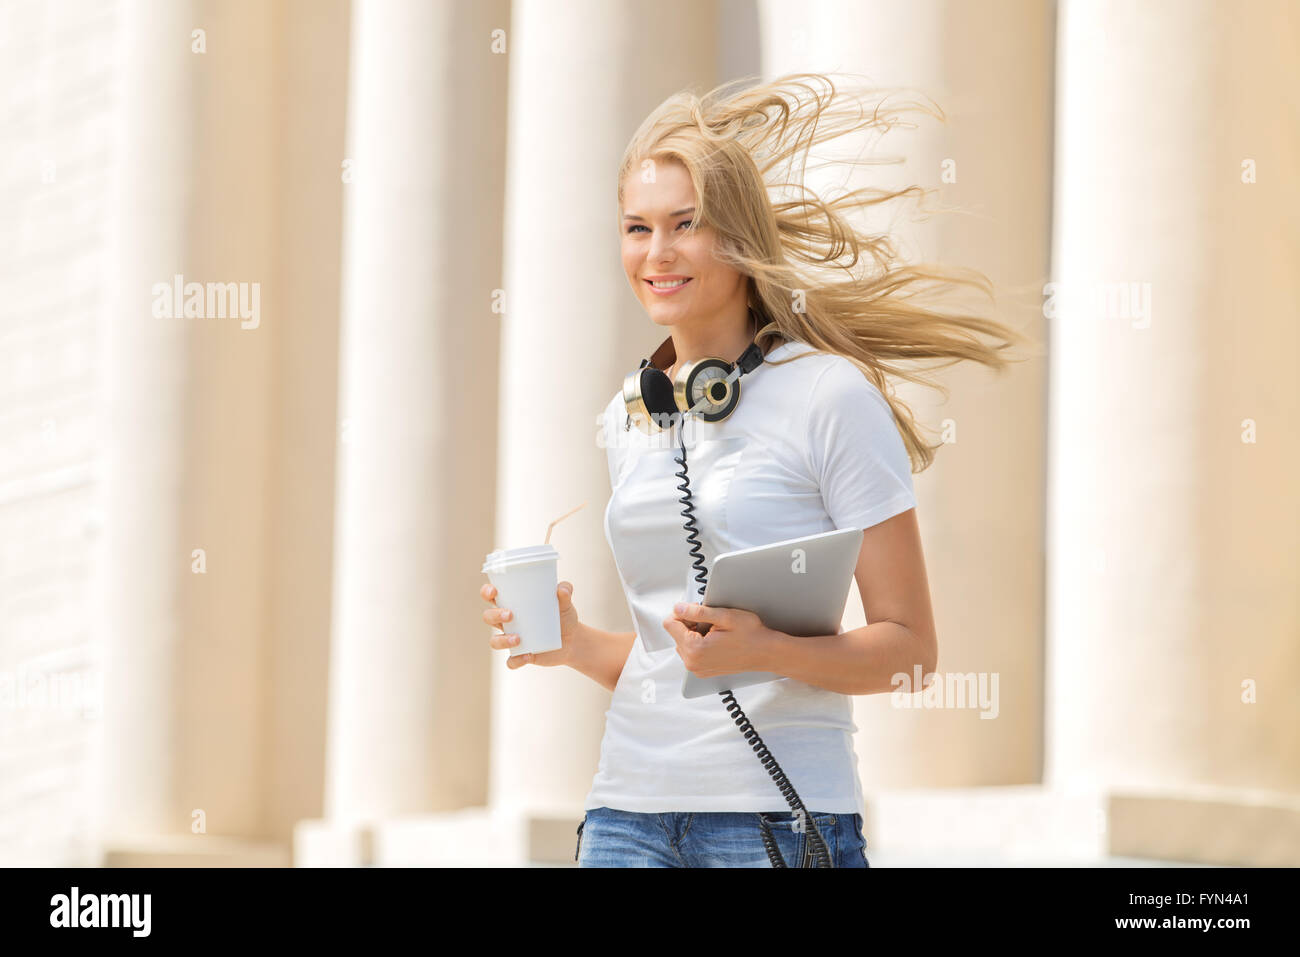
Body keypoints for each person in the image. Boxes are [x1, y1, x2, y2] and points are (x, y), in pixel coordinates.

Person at [480, 72, 1030, 867]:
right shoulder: (632, 412)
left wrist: (767, 648)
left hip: (773, 824)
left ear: (737, 237)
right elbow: (676, 663)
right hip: (626, 815)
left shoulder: (829, 395)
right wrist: (572, 642)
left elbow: (910, 654)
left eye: (685, 224)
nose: (656, 253)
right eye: (637, 227)